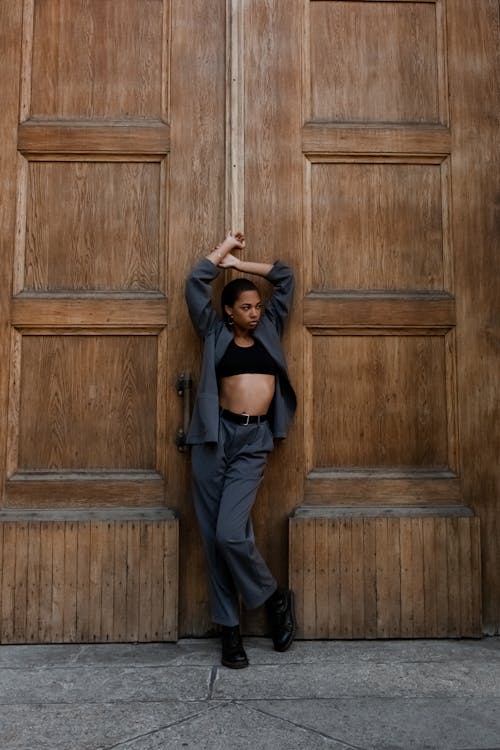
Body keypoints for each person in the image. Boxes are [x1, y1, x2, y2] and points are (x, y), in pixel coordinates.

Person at [185, 230, 297, 669]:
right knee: (216, 541)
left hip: (254, 442)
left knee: (232, 533)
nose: (254, 313)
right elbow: (195, 283)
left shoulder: (271, 329)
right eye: (245, 307)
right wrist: (219, 254)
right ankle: (229, 633)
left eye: (257, 306)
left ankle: (272, 598)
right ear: (228, 311)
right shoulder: (213, 331)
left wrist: (241, 266)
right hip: (215, 440)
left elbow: (286, 277)